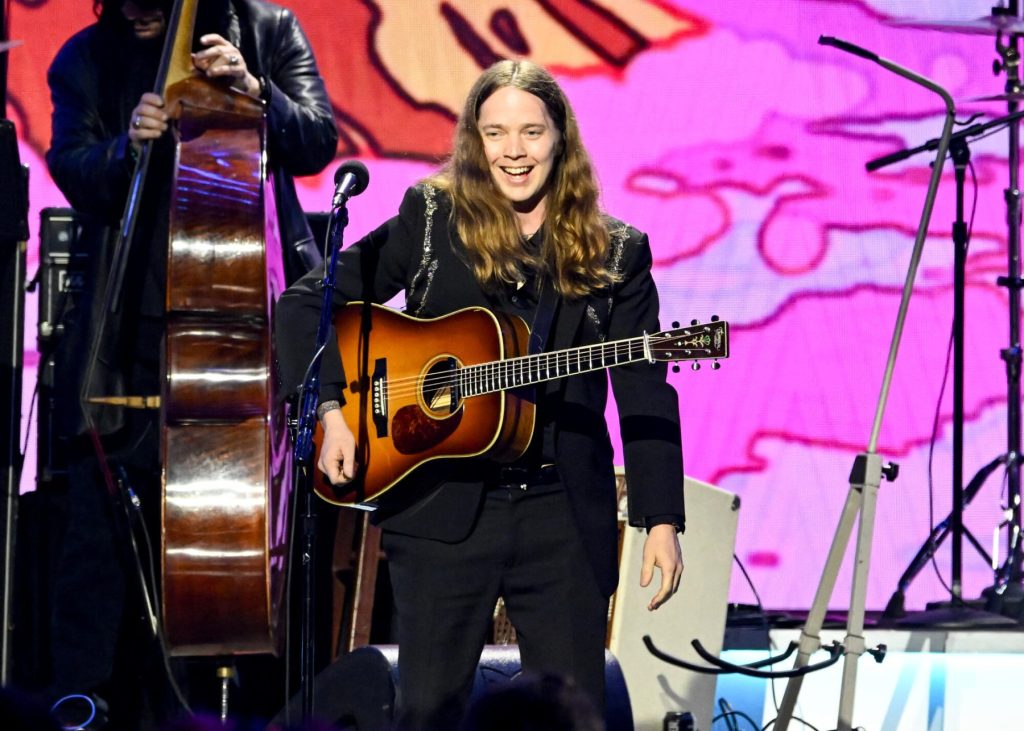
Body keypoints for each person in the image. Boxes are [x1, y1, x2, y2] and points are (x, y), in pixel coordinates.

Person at [275, 59, 684, 730]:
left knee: (573, 714)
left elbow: (645, 388)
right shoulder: (432, 218)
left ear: (562, 139)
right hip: (440, 510)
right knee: (427, 714)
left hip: (561, 515)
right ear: (475, 139)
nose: (513, 152)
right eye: (495, 133)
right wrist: (328, 412)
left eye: (531, 132)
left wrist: (661, 521)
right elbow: (303, 307)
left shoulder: (616, 252)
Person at [44, 1, 337, 727]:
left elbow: (316, 140)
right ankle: (88, 706)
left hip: (239, 341)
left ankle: (219, 707)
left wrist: (257, 89)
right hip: (126, 349)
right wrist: (126, 147)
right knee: (99, 555)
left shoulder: (270, 32)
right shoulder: (84, 57)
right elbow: (74, 169)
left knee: (222, 557)